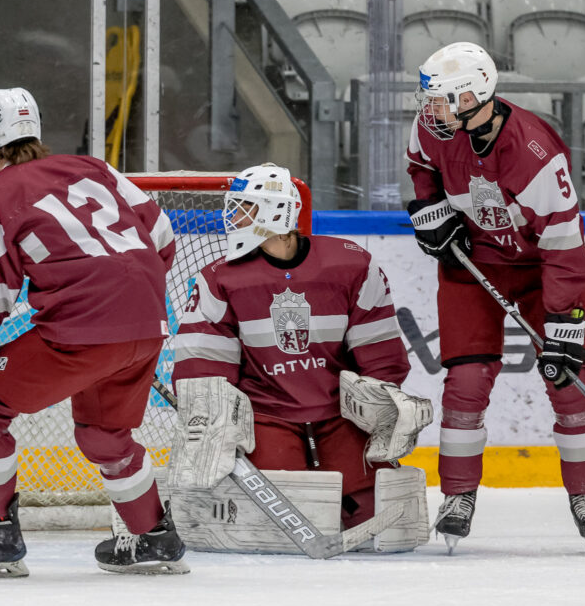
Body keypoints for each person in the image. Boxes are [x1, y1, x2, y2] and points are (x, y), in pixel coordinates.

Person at [0, 87, 188, 576]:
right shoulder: (97, 169)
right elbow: (164, 241)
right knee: (106, 434)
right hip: (149, 323)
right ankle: (153, 538)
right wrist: (123, 303)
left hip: (83, 331)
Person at [404, 42, 585, 553]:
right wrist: (430, 211)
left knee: (571, 382)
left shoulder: (534, 153)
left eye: (442, 100)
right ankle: (457, 496)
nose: (430, 111)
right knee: (466, 383)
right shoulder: (434, 130)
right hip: (474, 265)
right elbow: (421, 169)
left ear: (474, 97)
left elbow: (565, 248)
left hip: (548, 271)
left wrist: (563, 324)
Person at [169, 163, 433, 550]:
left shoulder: (350, 263)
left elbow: (379, 351)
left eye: (243, 207)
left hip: (341, 413)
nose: (232, 216)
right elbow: (204, 362)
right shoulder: (220, 278)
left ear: (274, 213)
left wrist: (384, 406)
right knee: (283, 513)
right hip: (267, 413)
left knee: (370, 510)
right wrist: (213, 419)